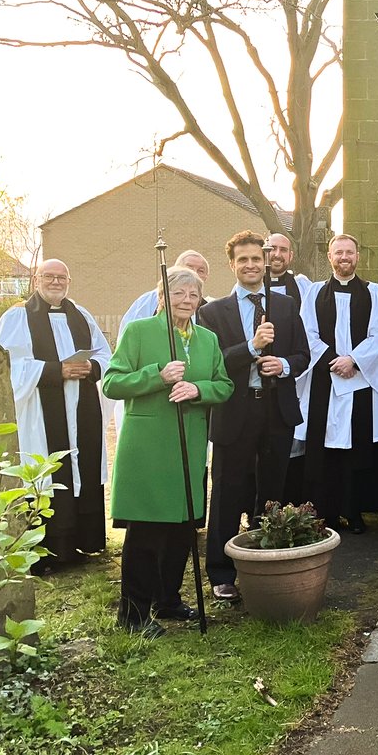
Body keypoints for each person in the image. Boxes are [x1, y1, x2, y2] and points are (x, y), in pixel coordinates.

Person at [102, 268, 232, 636]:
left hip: (187, 445)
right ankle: (133, 615)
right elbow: (111, 382)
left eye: (194, 294)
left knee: (181, 530)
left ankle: (168, 600)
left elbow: (224, 385)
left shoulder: (207, 339)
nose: (187, 300)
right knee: (145, 533)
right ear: (162, 296)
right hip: (147, 448)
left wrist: (198, 390)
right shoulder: (139, 332)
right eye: (179, 293)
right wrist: (156, 376)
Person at [197, 230, 310, 601]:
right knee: (228, 490)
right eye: (243, 260)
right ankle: (222, 571)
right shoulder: (212, 312)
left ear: (265, 262)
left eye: (256, 259)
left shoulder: (286, 305)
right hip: (236, 410)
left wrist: (284, 365)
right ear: (232, 265)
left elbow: (302, 355)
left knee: (272, 491)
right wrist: (252, 346)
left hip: (276, 409)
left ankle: (265, 559)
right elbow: (213, 362)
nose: (251, 265)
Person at [0, 259, 111, 564]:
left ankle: (83, 543)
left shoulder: (81, 315)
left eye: (62, 277)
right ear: (36, 280)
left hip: (82, 406)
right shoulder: (17, 317)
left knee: (82, 468)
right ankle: (46, 552)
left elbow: (107, 356)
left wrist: (91, 367)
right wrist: (56, 371)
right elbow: (3, 367)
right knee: (48, 470)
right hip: (41, 412)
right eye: (49, 276)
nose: (56, 282)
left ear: (69, 281)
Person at [295, 234, 378, 532]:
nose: (344, 257)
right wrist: (333, 359)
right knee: (323, 450)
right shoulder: (314, 293)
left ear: (357, 256)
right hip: (325, 379)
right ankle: (323, 512)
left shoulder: (372, 292)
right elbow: (307, 333)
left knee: (355, 450)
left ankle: (353, 512)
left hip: (358, 378)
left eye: (349, 252)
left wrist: (353, 359)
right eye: (338, 252)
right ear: (329, 256)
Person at [114, 249, 210, 431]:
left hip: (192, 416)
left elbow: (219, 378)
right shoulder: (144, 308)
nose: (195, 273)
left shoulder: (208, 312)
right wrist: (157, 376)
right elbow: (118, 374)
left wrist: (199, 389)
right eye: (189, 267)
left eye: (201, 270)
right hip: (148, 411)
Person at [266, 232, 313, 307]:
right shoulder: (252, 285)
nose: (277, 254)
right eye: (273, 248)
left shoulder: (303, 286)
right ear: (264, 252)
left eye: (283, 250)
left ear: (290, 256)